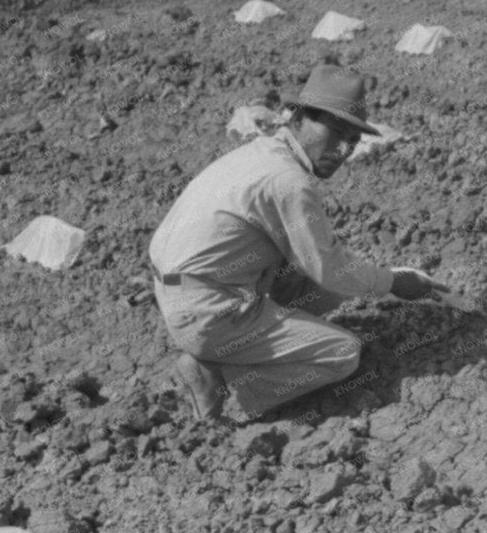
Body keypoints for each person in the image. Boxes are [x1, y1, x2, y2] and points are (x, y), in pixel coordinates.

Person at [148, 64, 443, 422]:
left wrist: (376, 280)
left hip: (184, 288)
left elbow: (324, 269)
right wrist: (395, 282)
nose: (342, 149)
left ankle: (248, 343)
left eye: (352, 140)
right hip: (208, 308)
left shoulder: (261, 153)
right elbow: (330, 268)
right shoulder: (287, 181)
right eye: (333, 132)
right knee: (343, 352)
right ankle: (221, 375)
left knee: (326, 280)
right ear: (299, 117)